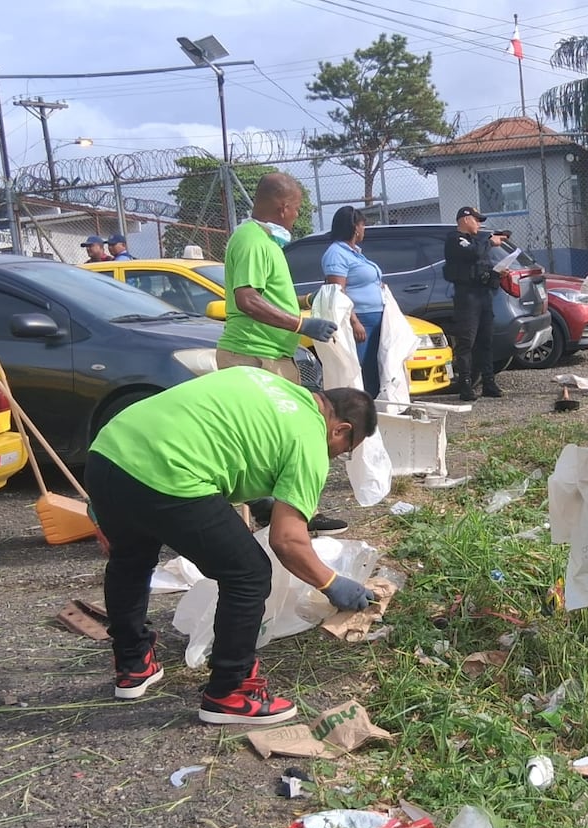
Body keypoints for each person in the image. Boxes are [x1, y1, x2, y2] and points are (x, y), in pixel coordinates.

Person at [85, 366, 380, 724]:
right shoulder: (310, 440)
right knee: (249, 574)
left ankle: (132, 665)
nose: (336, 457)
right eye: (345, 450)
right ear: (341, 430)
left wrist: (103, 502)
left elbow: (221, 434)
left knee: (131, 558)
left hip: (108, 452)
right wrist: (332, 584)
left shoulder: (264, 381)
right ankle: (231, 691)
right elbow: (287, 542)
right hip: (170, 472)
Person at [217, 172, 346, 536]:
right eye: (298, 209)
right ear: (283, 206)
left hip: (271, 353)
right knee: (270, 435)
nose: (297, 216)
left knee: (284, 434)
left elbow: (267, 293)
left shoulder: (264, 243)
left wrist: (307, 302)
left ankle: (289, 510)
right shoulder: (252, 241)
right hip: (253, 355)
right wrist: (301, 326)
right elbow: (248, 299)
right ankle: (275, 512)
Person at [443, 206, 505, 401]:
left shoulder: (475, 241)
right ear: (466, 219)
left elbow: (482, 267)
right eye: (477, 220)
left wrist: (497, 274)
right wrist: (489, 241)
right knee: (466, 342)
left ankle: (488, 382)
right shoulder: (455, 240)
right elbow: (473, 254)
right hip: (466, 297)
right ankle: (466, 386)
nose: (479, 224)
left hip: (483, 295)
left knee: (485, 341)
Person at [322, 206, 384, 398]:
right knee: (362, 369)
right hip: (361, 320)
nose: (364, 230)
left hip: (375, 317)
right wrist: (354, 321)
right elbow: (337, 293)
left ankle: (376, 409)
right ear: (355, 227)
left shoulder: (354, 252)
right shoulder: (336, 254)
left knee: (375, 368)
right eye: (363, 225)